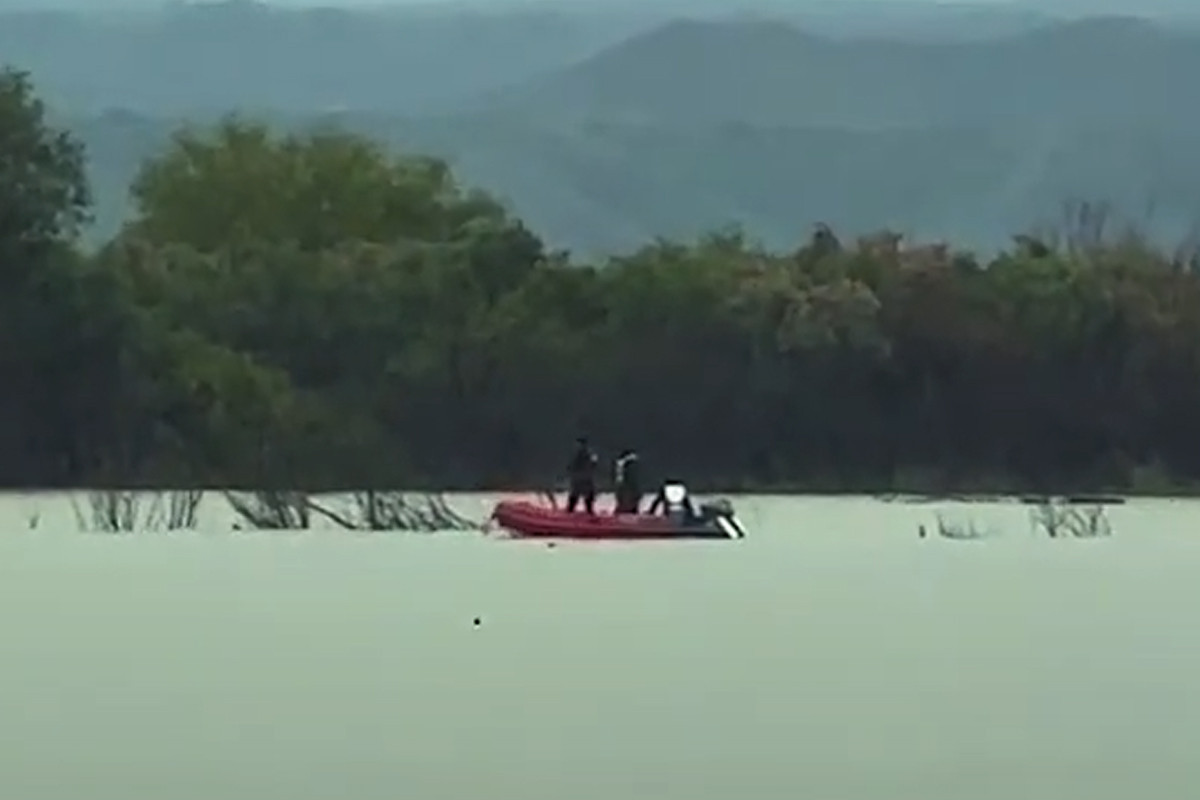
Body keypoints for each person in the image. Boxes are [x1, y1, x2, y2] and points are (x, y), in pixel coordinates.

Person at [566, 436, 599, 514]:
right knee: (586, 497)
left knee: (577, 496)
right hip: (584, 478)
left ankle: (571, 513)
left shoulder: (581, 454)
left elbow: (572, 466)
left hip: (581, 478)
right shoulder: (590, 454)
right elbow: (594, 465)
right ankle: (589, 513)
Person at [613, 448, 642, 514]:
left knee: (628, 500)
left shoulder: (621, 464)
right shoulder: (624, 464)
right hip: (626, 486)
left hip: (627, 486)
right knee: (627, 500)